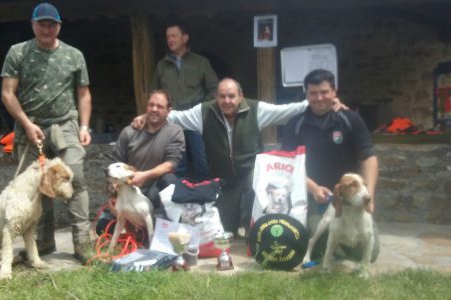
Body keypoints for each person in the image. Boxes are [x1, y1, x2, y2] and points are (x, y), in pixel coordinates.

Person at [133, 78, 345, 236]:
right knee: (226, 230)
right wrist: (147, 115)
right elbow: (176, 116)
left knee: (254, 221)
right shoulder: (203, 112)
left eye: (231, 96)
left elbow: (287, 111)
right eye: (222, 96)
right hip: (223, 180)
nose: (226, 101)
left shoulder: (256, 109)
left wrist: (323, 102)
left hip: (252, 175)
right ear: (216, 97)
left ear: (240, 96)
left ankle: (255, 227)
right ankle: (235, 219)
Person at [0, 2, 93, 263]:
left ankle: (83, 243)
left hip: (65, 125)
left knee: (75, 178)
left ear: (59, 26)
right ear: (33, 24)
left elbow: (83, 94)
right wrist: (27, 124)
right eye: (41, 23)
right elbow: (8, 93)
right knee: (35, 187)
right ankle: (42, 242)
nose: (46, 28)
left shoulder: (74, 55)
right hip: (31, 126)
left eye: (51, 24)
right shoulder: (18, 53)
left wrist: (84, 126)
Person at [280, 69, 380, 261]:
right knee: (319, 245)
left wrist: (369, 196)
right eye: (313, 93)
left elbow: (369, 157)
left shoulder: (350, 119)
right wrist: (314, 189)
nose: (319, 98)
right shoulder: (295, 124)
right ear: (306, 94)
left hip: (349, 196)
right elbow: (289, 165)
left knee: (369, 253)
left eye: (324, 92)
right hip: (315, 198)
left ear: (334, 92)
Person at [96, 90, 185, 236]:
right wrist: (112, 196)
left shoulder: (175, 132)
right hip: (128, 192)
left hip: (154, 192)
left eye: (160, 106)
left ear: (169, 111)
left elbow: (171, 164)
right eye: (151, 105)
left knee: (170, 180)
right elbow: (115, 164)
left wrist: (144, 175)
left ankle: (163, 232)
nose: (154, 109)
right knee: (102, 227)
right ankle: (135, 231)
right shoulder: (129, 132)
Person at [150, 21, 218, 181]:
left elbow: (214, 88)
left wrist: (202, 109)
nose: (170, 40)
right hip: (172, 119)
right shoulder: (162, 65)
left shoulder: (201, 62)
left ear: (185, 38)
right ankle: (179, 199)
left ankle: (205, 197)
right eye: (168, 37)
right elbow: (155, 92)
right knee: (177, 164)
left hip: (194, 119)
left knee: (202, 162)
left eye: (174, 36)